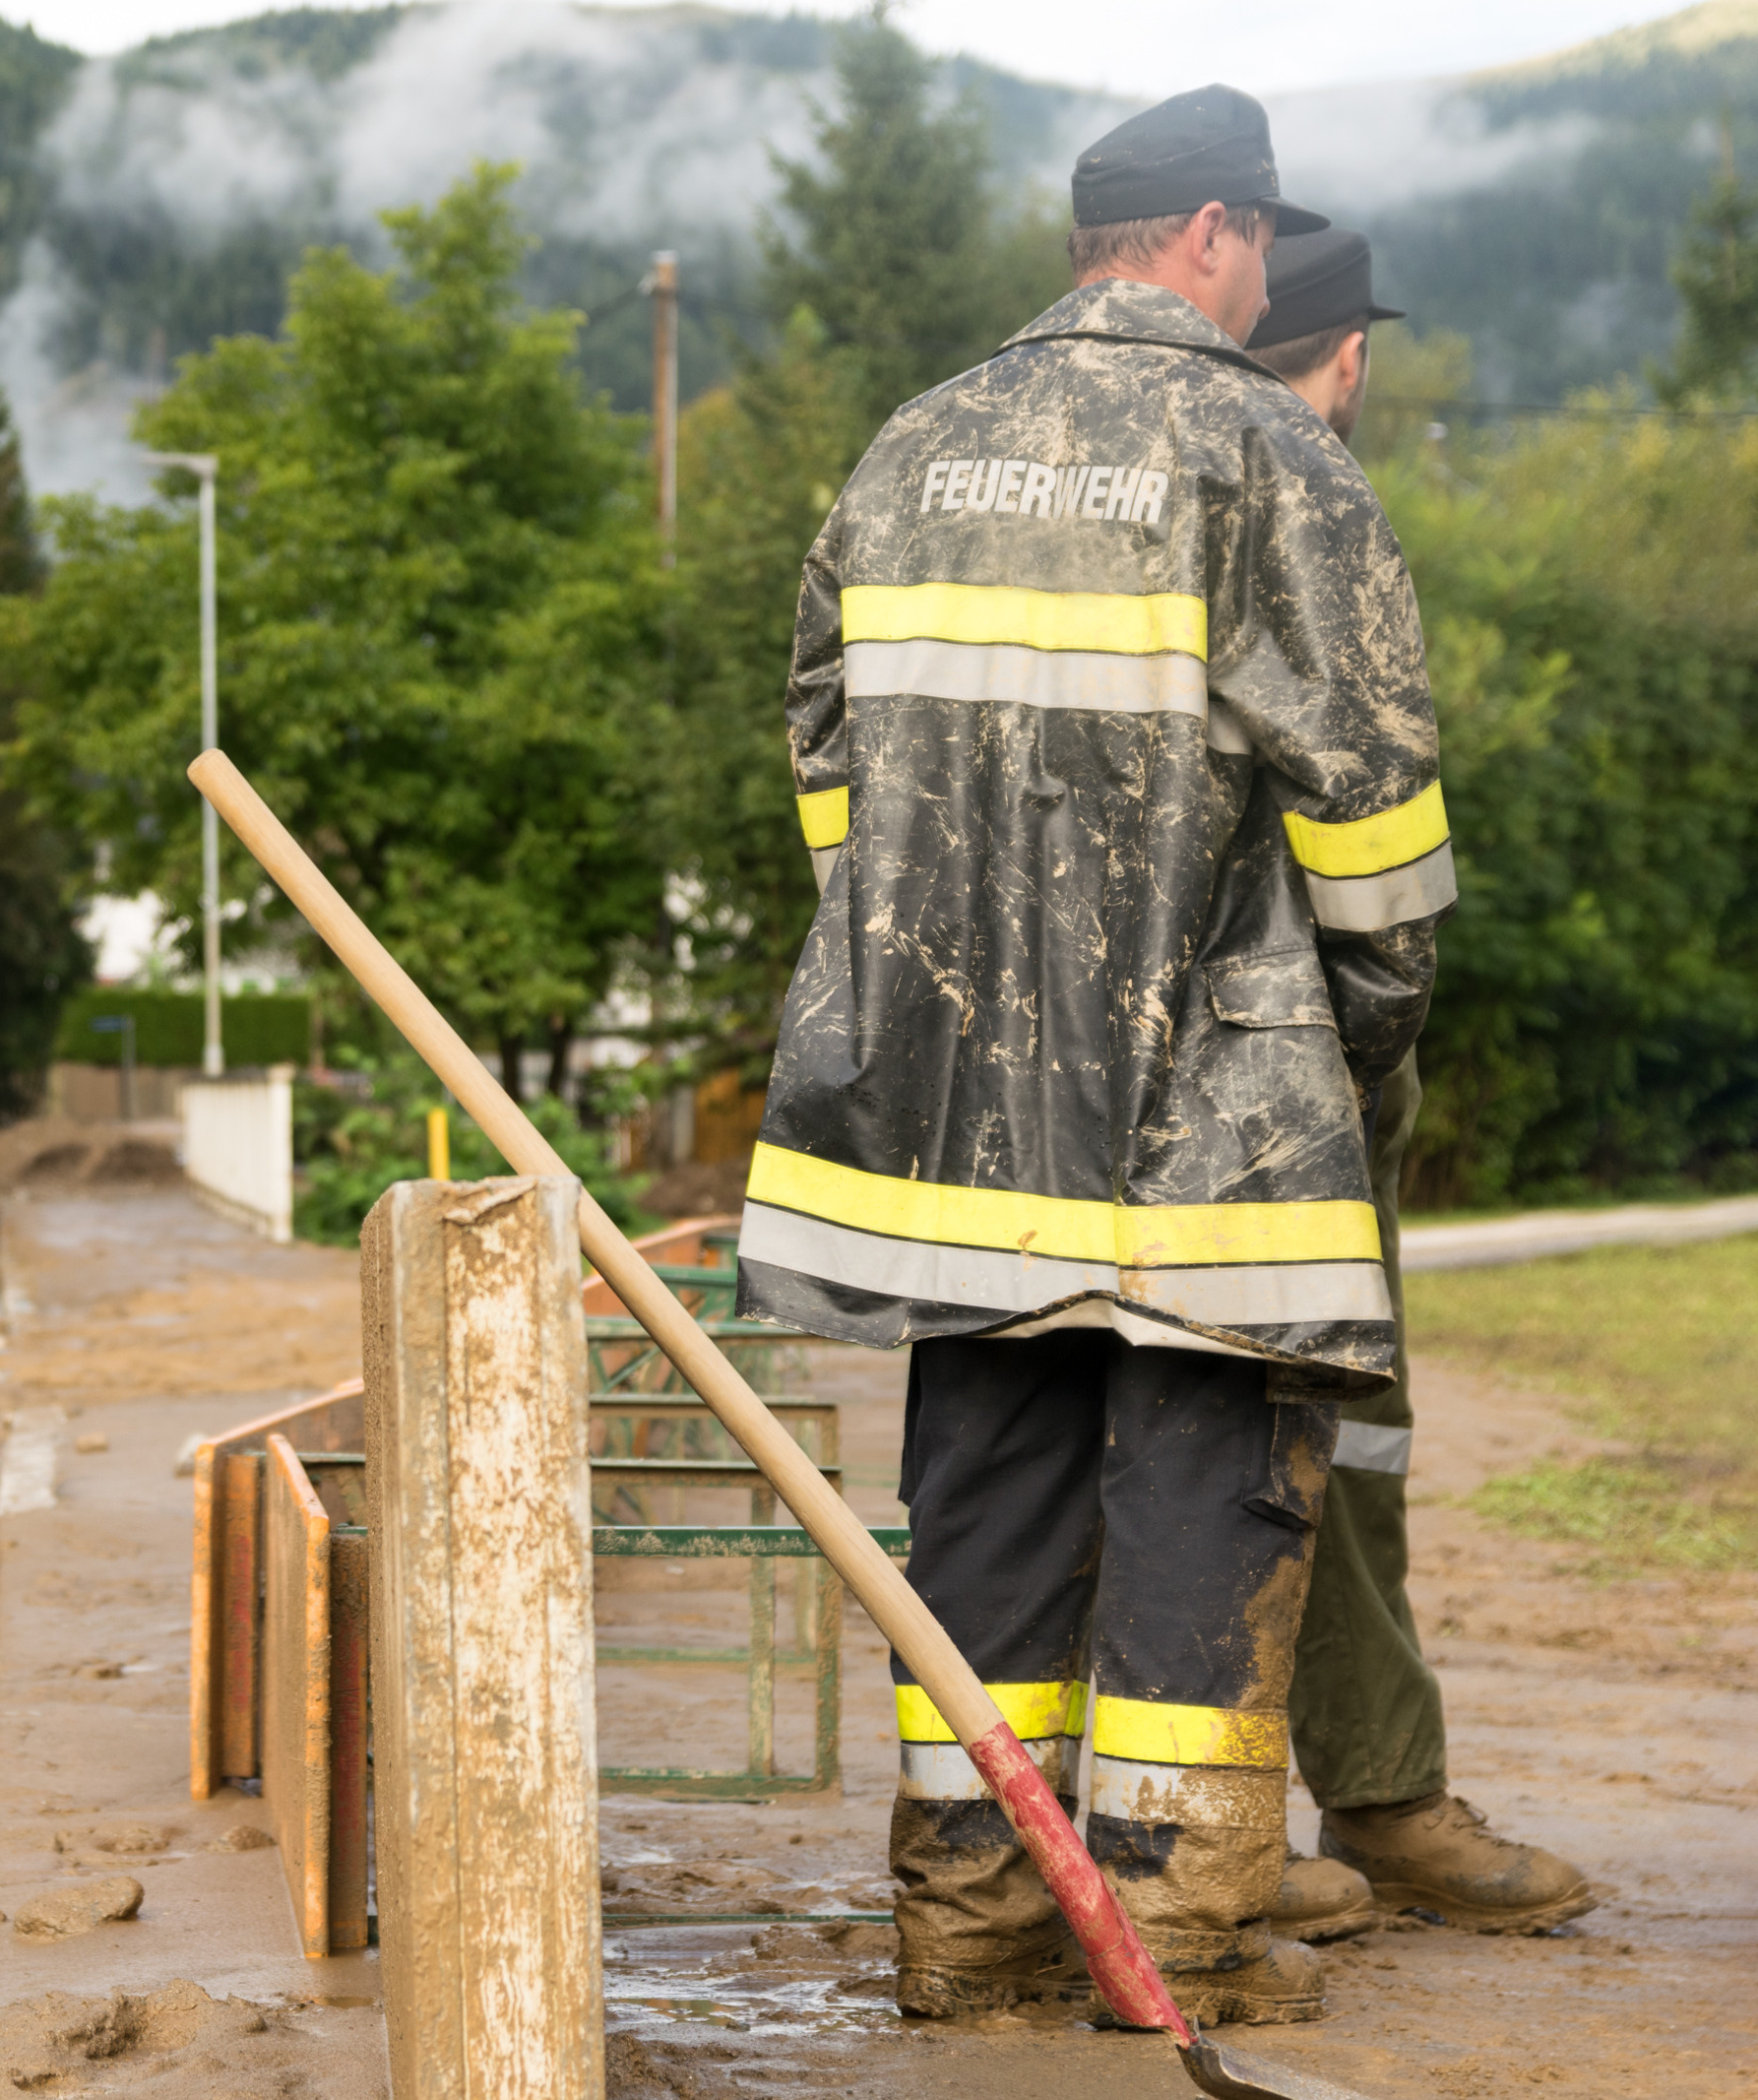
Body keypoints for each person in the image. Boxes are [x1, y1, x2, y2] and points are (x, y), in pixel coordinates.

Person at [738, 85, 1455, 2027]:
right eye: (1255, 240)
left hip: (943, 1130)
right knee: (1198, 1517)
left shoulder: (905, 451)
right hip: (1206, 1135)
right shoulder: (1262, 454)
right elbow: (1375, 839)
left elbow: (830, 776)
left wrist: (917, 976)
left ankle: (967, 1928)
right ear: (1216, 234)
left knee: (980, 1505)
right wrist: (1351, 1052)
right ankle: (1170, 1943)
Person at [1243, 230, 1599, 1942]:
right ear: (1350, 356)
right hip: (1280, 1058)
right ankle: (1306, 1818)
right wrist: (1354, 1064)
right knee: (1268, 1439)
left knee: (1327, 1433)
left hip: (1240, 1054)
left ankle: (1364, 1794)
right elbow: (1380, 854)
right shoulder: (1306, 506)